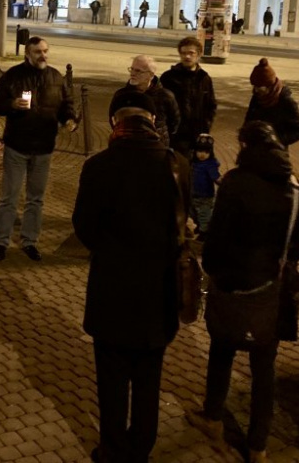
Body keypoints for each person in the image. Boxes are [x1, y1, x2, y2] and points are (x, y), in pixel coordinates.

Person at [72, 91, 184, 463]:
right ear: (152, 121)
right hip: (159, 290)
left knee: (112, 378)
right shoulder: (176, 165)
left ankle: (112, 448)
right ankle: (141, 447)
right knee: (149, 377)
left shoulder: (99, 165)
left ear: (115, 121)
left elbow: (84, 227)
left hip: (112, 289)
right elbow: (182, 228)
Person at [193, 121, 299, 463]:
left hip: (233, 287)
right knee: (264, 369)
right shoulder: (297, 187)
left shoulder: (235, 183)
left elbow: (216, 241)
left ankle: (212, 417)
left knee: (221, 354)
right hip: (272, 292)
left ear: (245, 145)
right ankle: (258, 445)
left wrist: (214, 271)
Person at [0, 37, 76, 261]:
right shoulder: (14, 76)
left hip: (44, 147)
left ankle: (30, 241)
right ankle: (1, 242)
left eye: (45, 51)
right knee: (10, 197)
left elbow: (67, 104)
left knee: (36, 198)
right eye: (38, 52)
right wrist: (11, 105)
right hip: (18, 146)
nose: (43, 55)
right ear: (28, 54)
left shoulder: (56, 77)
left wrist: (70, 119)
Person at [160, 37, 217, 156]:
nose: (187, 57)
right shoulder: (168, 78)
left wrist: (206, 127)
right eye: (184, 53)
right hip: (175, 136)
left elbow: (211, 105)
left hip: (197, 135)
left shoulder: (204, 78)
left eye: (191, 53)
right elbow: (160, 106)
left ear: (199, 55)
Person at [108, 55, 180, 149]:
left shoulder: (165, 96)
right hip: (127, 145)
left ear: (151, 75)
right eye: (132, 69)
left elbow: (174, 122)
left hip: (156, 147)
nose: (132, 74)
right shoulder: (121, 95)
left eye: (138, 71)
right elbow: (112, 119)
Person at [244, 58, 299, 148]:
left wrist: (277, 140)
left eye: (260, 87)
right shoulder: (257, 97)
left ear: (269, 86)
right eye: (254, 86)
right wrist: (244, 134)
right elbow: (249, 119)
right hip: (254, 150)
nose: (256, 90)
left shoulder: (285, 101)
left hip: (275, 153)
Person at [191, 134, 220, 240]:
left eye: (206, 152)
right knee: (194, 213)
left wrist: (222, 182)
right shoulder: (194, 162)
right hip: (194, 194)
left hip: (205, 196)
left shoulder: (210, 165)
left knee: (204, 214)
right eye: (199, 151)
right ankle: (199, 226)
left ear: (210, 153)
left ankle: (204, 233)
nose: (202, 155)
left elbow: (215, 177)